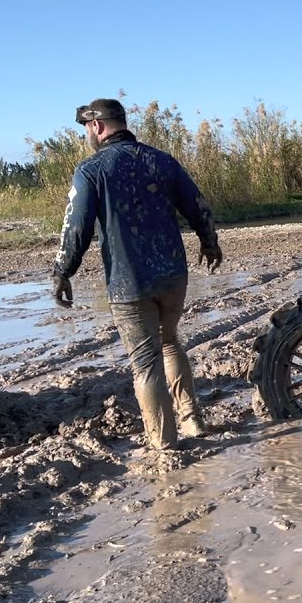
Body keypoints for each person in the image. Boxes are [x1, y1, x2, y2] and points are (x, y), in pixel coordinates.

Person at [52, 98, 224, 450]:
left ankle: (163, 443)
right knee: (170, 342)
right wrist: (209, 242)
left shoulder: (91, 170)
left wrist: (62, 270)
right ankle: (192, 420)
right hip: (173, 273)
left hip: (129, 281)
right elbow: (198, 205)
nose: (87, 134)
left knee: (145, 362)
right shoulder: (162, 161)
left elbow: (76, 229)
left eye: (87, 128)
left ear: (97, 126)